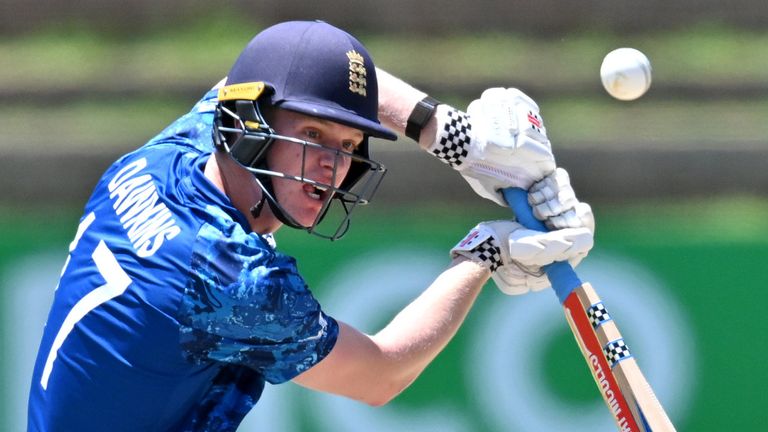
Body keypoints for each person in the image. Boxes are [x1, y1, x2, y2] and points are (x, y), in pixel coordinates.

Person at [27, 20, 595, 431]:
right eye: (313, 138)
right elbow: (381, 374)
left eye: (348, 145)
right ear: (249, 127)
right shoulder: (233, 280)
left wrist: (456, 139)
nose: (334, 165)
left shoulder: (167, 155)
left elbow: (259, 69)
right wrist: (484, 254)